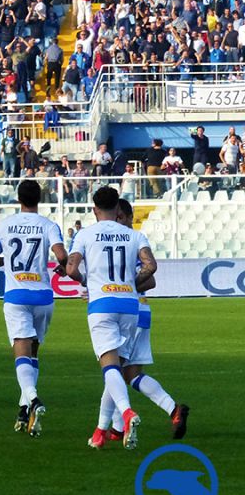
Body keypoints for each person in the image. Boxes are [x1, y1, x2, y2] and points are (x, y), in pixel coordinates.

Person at [66, 186, 157, 450]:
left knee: (109, 368)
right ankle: (100, 431)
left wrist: (86, 280)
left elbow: (71, 269)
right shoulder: (134, 235)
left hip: (102, 304)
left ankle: (127, 413)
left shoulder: (85, 234)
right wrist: (130, 284)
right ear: (118, 208)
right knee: (115, 369)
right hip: (129, 306)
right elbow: (151, 266)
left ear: (94, 209)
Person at [0, 181, 68, 437]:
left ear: (18, 199)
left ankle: (33, 398)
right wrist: (63, 266)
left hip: (17, 295)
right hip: (43, 296)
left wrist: (9, 259)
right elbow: (61, 255)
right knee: (33, 354)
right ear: (39, 199)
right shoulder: (48, 225)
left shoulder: (5, 224)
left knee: (21, 352)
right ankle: (23, 409)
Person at [101, 199, 189, 443]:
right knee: (131, 374)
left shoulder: (131, 241)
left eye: (121, 217)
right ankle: (173, 409)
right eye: (116, 217)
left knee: (113, 369)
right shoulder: (129, 242)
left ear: (130, 218)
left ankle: (115, 427)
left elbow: (151, 279)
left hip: (128, 312)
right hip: (141, 311)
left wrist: (123, 287)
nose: (117, 221)